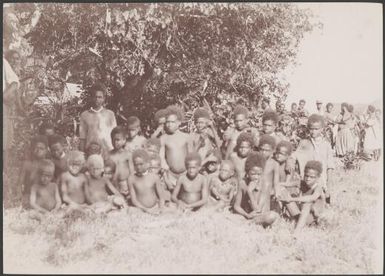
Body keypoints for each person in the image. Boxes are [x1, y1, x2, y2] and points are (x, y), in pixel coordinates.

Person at [286, 114, 334, 204]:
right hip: (309, 178)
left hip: (321, 179)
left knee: (322, 203)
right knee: (306, 201)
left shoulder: (326, 145)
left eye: (316, 129)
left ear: (322, 129)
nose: (313, 131)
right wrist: (290, 162)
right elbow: (294, 155)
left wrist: (329, 184)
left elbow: (330, 165)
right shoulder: (304, 142)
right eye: (311, 129)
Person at [232, 152, 279, 227]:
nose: (256, 177)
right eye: (253, 174)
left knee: (272, 216)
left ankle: (249, 223)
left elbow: (258, 210)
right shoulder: (243, 183)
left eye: (259, 174)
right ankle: (248, 222)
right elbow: (236, 206)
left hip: (262, 215)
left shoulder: (265, 184)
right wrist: (246, 215)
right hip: (248, 215)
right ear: (247, 173)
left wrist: (249, 192)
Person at [281, 160, 325, 235]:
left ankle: (297, 232)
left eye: (312, 177)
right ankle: (284, 216)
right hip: (300, 215)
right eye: (306, 176)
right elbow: (285, 184)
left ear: (318, 178)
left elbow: (312, 198)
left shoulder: (318, 188)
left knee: (306, 204)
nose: (308, 179)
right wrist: (277, 186)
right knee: (283, 191)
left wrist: (292, 199)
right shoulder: (302, 183)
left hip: (313, 217)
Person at [160, 105, 193, 191]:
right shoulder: (163, 138)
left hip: (186, 174)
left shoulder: (186, 137)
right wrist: (166, 178)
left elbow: (191, 156)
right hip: (170, 175)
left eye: (172, 122)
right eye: (167, 122)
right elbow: (161, 158)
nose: (169, 125)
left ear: (179, 122)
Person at [79, 83, 117, 154]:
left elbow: (115, 135)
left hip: (107, 151)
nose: (97, 99)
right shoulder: (85, 115)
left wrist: (115, 154)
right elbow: (82, 138)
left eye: (100, 97)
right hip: (91, 152)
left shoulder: (110, 114)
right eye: (95, 97)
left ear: (104, 99)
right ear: (91, 98)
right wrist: (82, 155)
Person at [128, 149, 165, 214]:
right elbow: (134, 200)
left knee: (171, 209)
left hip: (155, 207)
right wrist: (146, 210)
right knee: (130, 211)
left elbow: (161, 197)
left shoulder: (154, 177)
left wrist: (161, 209)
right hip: (140, 209)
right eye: (136, 165)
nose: (138, 167)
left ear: (147, 163)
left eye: (141, 164)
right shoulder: (131, 179)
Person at [262, 140, 294, 212]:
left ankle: (295, 215)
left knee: (282, 190)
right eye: (278, 153)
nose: (279, 156)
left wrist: (279, 186)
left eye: (282, 154)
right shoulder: (272, 162)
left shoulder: (288, 166)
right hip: (270, 190)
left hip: (283, 191)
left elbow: (287, 184)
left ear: (287, 156)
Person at [18, 135, 49, 208]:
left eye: (41, 148)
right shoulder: (26, 164)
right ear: (32, 149)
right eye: (35, 148)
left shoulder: (49, 164)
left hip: (44, 195)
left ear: (46, 150)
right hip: (29, 194)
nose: (38, 150)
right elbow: (19, 183)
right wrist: (19, 195)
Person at [3, 55, 22, 163]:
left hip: (6, 108)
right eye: (13, 58)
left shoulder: (3, 62)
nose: (14, 60)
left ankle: (4, 172)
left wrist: (5, 97)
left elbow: (14, 82)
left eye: (17, 58)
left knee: (5, 142)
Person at [108, 126, 132, 198]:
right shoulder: (108, 155)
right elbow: (106, 175)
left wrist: (130, 188)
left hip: (126, 185)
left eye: (118, 140)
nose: (115, 142)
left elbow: (132, 172)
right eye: (113, 140)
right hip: (113, 185)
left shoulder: (128, 154)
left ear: (124, 140)